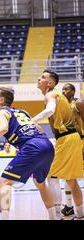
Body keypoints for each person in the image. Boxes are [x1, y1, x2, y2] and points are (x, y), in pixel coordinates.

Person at [0, 87, 57, 220]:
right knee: (40, 183)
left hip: (31, 146)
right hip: (46, 144)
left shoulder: (0, 113)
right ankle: (53, 217)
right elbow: (39, 128)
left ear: (1, 100)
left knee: (3, 183)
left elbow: (3, 128)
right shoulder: (22, 111)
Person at [31, 70, 83, 220]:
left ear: (50, 83)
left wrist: (31, 121)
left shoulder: (51, 94)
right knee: (71, 180)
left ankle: (57, 215)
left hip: (66, 139)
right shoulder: (57, 96)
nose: (39, 78)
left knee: (51, 176)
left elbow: (50, 110)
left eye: (43, 77)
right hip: (73, 137)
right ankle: (80, 214)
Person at [60, 83, 84, 217]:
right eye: (62, 89)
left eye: (67, 89)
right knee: (69, 176)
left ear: (73, 91)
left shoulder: (79, 103)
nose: (64, 91)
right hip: (69, 143)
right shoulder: (61, 107)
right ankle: (69, 206)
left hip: (81, 141)